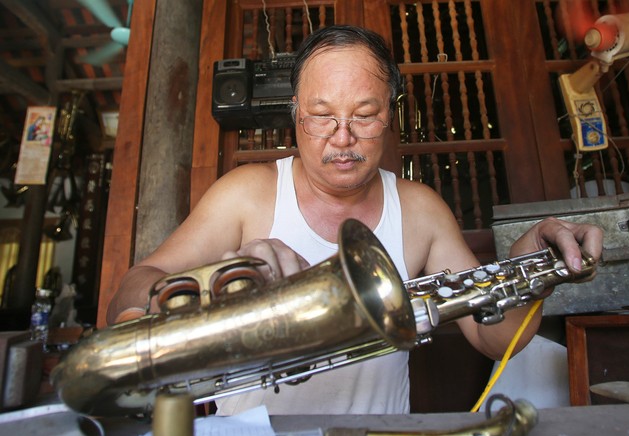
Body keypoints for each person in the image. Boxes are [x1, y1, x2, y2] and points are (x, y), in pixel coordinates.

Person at [107, 25, 603, 415]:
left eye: (364, 114)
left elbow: (495, 339)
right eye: (322, 115)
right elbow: (130, 291)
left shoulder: (420, 209)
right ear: (296, 113)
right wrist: (221, 285)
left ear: (391, 115)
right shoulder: (245, 196)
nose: (341, 137)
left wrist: (536, 269)